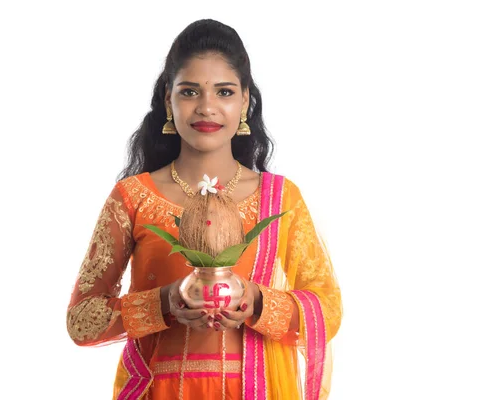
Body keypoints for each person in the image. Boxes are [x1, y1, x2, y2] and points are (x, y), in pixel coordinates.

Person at [66, 19, 342, 400]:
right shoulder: (132, 197)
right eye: (190, 91)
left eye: (224, 92)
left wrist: (256, 301)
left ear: (244, 101)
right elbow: (82, 323)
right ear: (169, 100)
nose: (207, 107)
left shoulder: (280, 199)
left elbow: (327, 312)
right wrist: (165, 302)